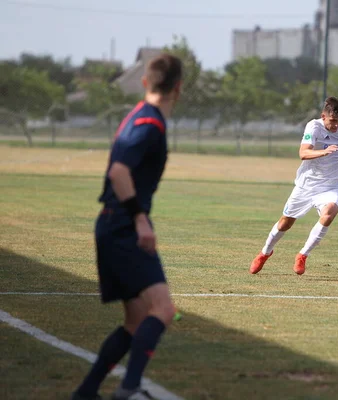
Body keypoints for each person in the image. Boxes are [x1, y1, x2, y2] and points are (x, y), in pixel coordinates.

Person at [71, 53, 183, 400]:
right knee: (162, 310)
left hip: (111, 226)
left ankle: (86, 393)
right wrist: (139, 219)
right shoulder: (150, 125)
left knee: (136, 322)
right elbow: (118, 172)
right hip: (123, 227)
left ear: (146, 82)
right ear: (178, 89)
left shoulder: (137, 115)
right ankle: (130, 390)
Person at [250, 96, 338, 275]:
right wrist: (323, 151)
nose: (336, 125)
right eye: (332, 121)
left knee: (329, 214)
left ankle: (303, 255)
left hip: (332, 186)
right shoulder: (314, 126)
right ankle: (264, 253)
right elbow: (303, 153)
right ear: (323, 116)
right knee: (285, 223)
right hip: (307, 185)